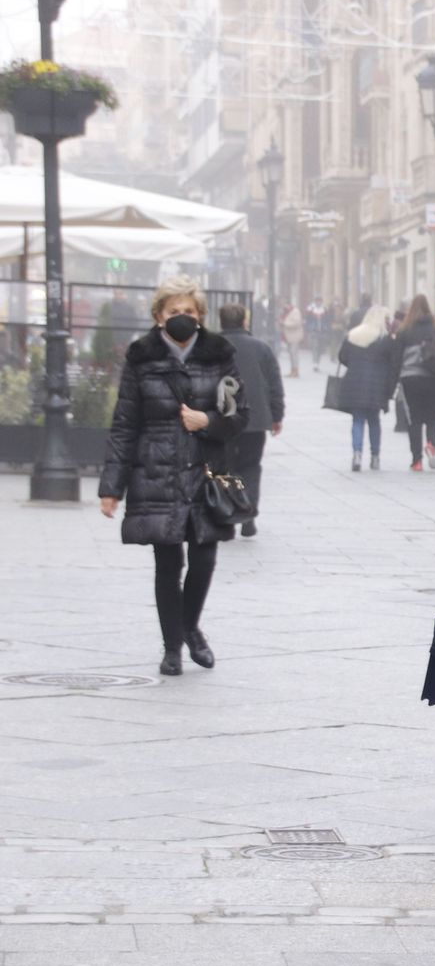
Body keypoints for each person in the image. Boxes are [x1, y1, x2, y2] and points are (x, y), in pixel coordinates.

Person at [99, 275, 250, 678]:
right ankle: (172, 649)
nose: (181, 318)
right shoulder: (141, 357)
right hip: (156, 470)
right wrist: (111, 487)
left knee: (204, 557)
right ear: (158, 316)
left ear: (200, 316)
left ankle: (190, 627)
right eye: (173, 312)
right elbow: (125, 424)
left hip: (205, 470)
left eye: (188, 311)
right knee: (168, 562)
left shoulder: (220, 354)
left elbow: (240, 416)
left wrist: (209, 421)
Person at [218, 303, 283, 537]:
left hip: (222, 419)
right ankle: (248, 514)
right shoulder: (262, 348)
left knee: (225, 467)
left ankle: (227, 514)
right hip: (255, 419)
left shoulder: (210, 348)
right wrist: (277, 416)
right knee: (251, 467)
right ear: (245, 321)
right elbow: (275, 385)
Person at [395, 295, 435, 472]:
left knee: (415, 419)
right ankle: (431, 445)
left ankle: (417, 460)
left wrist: (393, 381)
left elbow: (396, 359)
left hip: (411, 380)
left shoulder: (404, 331)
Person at [339, 302, 398, 472]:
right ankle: (375, 457)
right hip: (376, 386)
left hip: (355, 383)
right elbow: (392, 363)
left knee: (357, 420)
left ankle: (357, 454)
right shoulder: (385, 339)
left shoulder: (353, 335)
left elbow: (343, 357)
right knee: (374, 421)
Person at [280, 303, 305, 379]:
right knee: (291, 354)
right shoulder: (286, 312)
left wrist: (284, 323)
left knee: (294, 354)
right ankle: (292, 370)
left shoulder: (295, 311)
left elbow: (296, 323)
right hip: (288, 336)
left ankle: (296, 371)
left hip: (295, 336)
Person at [306, 296, 327, 373]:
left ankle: (318, 362)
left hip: (322, 331)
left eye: (320, 300)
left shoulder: (325, 309)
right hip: (314, 331)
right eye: (317, 300)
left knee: (320, 348)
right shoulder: (311, 309)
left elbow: (327, 320)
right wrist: (309, 329)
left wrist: (326, 328)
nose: (318, 302)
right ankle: (315, 363)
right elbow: (307, 320)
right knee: (315, 347)